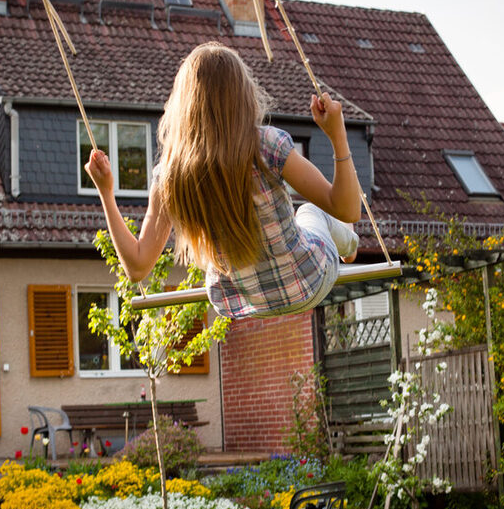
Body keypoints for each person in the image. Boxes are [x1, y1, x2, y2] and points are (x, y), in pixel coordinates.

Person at [85, 42, 360, 319]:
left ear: (182, 105)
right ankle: (348, 244)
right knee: (311, 211)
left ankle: (346, 242)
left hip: (241, 301)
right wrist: (337, 135)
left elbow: (137, 268)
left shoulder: (169, 175)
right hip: (308, 282)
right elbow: (347, 208)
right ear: (243, 96)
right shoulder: (266, 145)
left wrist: (106, 192)